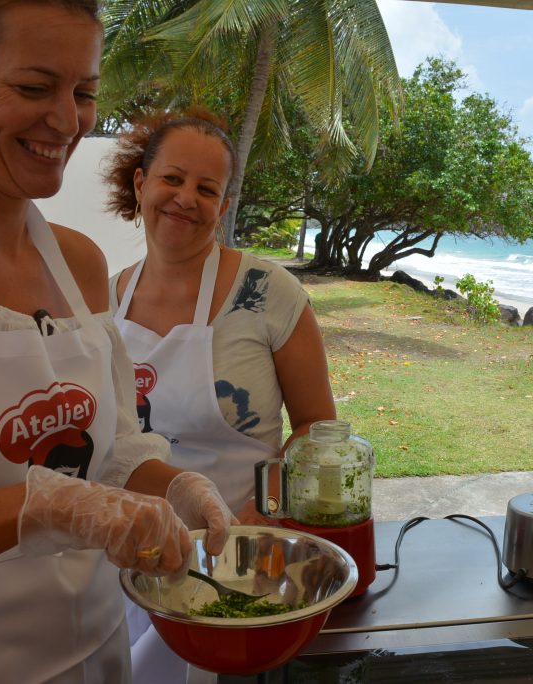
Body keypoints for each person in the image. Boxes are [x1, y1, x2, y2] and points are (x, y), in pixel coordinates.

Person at [0, 3, 235, 682]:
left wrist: (178, 487)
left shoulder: (80, 264)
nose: (69, 122)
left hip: (95, 655)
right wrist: (38, 505)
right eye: (35, 88)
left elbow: (114, 451)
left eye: (85, 92)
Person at [101, 108, 335, 680]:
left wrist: (262, 517)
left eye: (207, 189)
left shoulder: (270, 293)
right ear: (141, 183)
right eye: (172, 179)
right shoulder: (106, 298)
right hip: (129, 553)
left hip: (239, 555)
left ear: (224, 206)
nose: (186, 198)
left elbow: (315, 428)